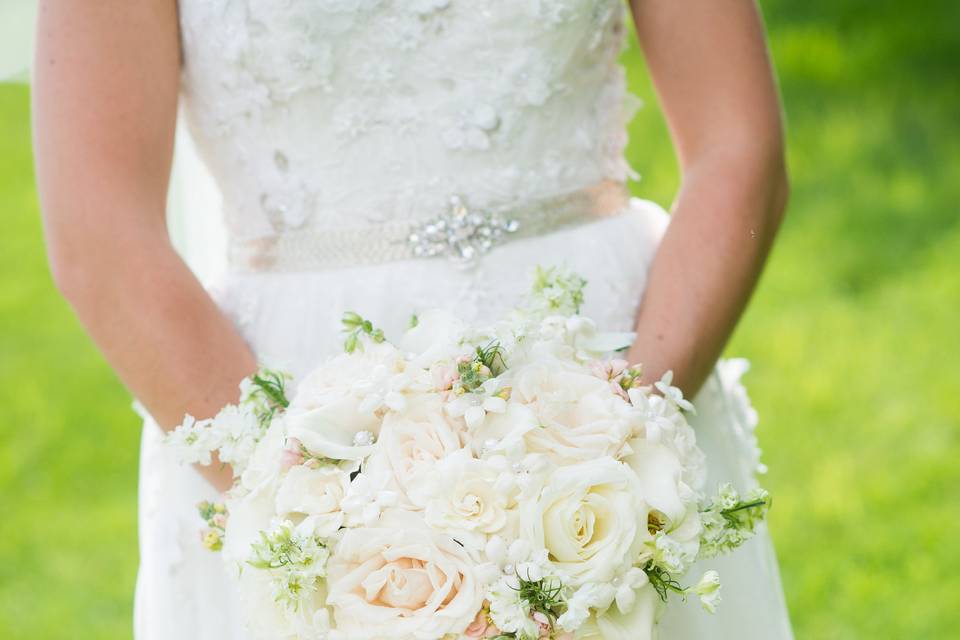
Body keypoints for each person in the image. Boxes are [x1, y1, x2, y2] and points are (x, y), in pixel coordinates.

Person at [33, 0, 792, 637]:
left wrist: (613, 445)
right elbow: (101, 232)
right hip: (277, 401)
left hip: (618, 368)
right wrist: (321, 520)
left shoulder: (618, 430)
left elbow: (738, 143)